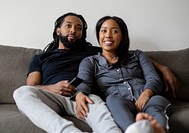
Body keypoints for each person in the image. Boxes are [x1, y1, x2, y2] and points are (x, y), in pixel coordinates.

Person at [13, 12, 178, 133]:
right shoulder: (42, 57)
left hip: (82, 95)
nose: (73, 31)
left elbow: (123, 52)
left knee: (107, 124)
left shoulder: (91, 51)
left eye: (78, 28)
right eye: (68, 26)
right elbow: (32, 86)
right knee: (21, 93)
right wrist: (51, 88)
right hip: (52, 95)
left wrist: (162, 67)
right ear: (58, 30)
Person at [74, 16, 171, 132]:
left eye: (114, 31)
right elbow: (83, 82)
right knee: (112, 100)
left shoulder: (138, 55)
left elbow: (154, 79)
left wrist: (146, 94)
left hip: (149, 99)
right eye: (103, 31)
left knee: (156, 107)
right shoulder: (90, 62)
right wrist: (80, 94)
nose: (108, 35)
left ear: (122, 36)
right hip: (120, 102)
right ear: (98, 34)